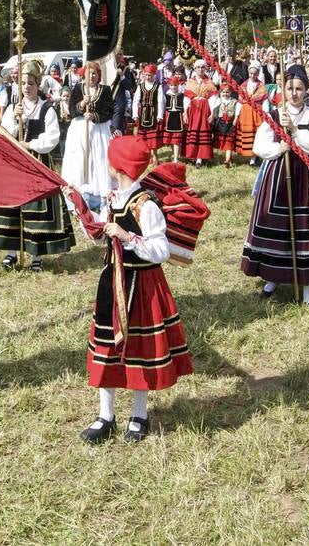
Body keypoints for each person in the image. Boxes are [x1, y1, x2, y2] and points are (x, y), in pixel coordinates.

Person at [77, 136, 192, 444]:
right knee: (107, 347)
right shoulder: (112, 197)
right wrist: (75, 205)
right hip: (111, 283)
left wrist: (128, 237)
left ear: (118, 166)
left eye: (110, 160)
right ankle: (106, 415)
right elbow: (100, 235)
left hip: (141, 287)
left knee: (139, 351)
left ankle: (139, 414)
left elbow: (160, 251)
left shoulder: (146, 205)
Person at [242, 66, 309, 305]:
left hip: (307, 180)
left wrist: (294, 132)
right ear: (283, 89)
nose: (294, 93)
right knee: (277, 225)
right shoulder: (273, 114)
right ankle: (273, 277)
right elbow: (258, 146)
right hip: (278, 176)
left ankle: (308, 289)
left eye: (299, 89)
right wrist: (278, 148)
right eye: (289, 88)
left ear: (306, 91)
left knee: (305, 229)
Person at [0, 61, 75, 271]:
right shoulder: (12, 108)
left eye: (31, 84)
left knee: (36, 208)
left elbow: (52, 138)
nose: (27, 87)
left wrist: (30, 144)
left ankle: (36, 255)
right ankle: (11, 253)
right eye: (23, 83)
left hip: (37, 163)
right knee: (12, 207)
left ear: (38, 86)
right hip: (16, 163)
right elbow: (5, 134)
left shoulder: (47, 109)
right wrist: (15, 120)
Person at [60, 61, 116, 211]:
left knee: (99, 159)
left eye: (94, 74)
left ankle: (101, 197)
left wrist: (94, 116)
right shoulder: (78, 88)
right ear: (83, 74)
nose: (91, 76)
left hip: (99, 131)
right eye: (88, 73)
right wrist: (81, 104)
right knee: (80, 160)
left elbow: (109, 111)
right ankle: (80, 195)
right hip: (79, 129)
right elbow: (72, 110)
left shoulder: (105, 90)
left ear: (98, 76)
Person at [182, 61, 217, 167]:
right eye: (198, 67)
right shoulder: (190, 82)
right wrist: (185, 113)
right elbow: (186, 98)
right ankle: (192, 154)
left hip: (204, 109)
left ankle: (200, 158)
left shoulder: (209, 82)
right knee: (193, 131)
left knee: (203, 130)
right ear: (195, 68)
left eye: (202, 67)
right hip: (193, 109)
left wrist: (212, 113)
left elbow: (214, 98)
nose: (200, 69)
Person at [128, 63, 164, 154]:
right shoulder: (141, 86)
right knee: (143, 135)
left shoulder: (158, 86)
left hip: (153, 113)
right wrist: (135, 114)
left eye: (150, 75)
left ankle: (154, 155)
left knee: (153, 135)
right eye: (146, 75)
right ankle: (145, 153)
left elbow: (161, 101)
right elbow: (136, 100)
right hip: (143, 113)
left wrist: (160, 114)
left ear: (154, 75)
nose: (148, 77)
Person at [160, 74, 185, 163]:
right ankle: (174, 154)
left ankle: (175, 158)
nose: (173, 87)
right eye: (171, 85)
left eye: (175, 85)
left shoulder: (182, 96)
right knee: (170, 138)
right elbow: (162, 106)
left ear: (178, 85)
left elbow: (185, 107)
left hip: (178, 117)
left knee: (177, 139)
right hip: (169, 117)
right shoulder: (166, 95)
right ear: (168, 86)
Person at [213, 86, 240, 167]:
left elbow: (237, 112)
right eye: (223, 92)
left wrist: (235, 119)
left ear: (231, 92)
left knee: (229, 142)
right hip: (221, 123)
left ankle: (227, 160)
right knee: (222, 141)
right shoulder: (218, 101)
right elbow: (214, 111)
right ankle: (228, 159)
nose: (225, 94)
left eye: (227, 92)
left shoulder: (235, 101)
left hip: (230, 123)